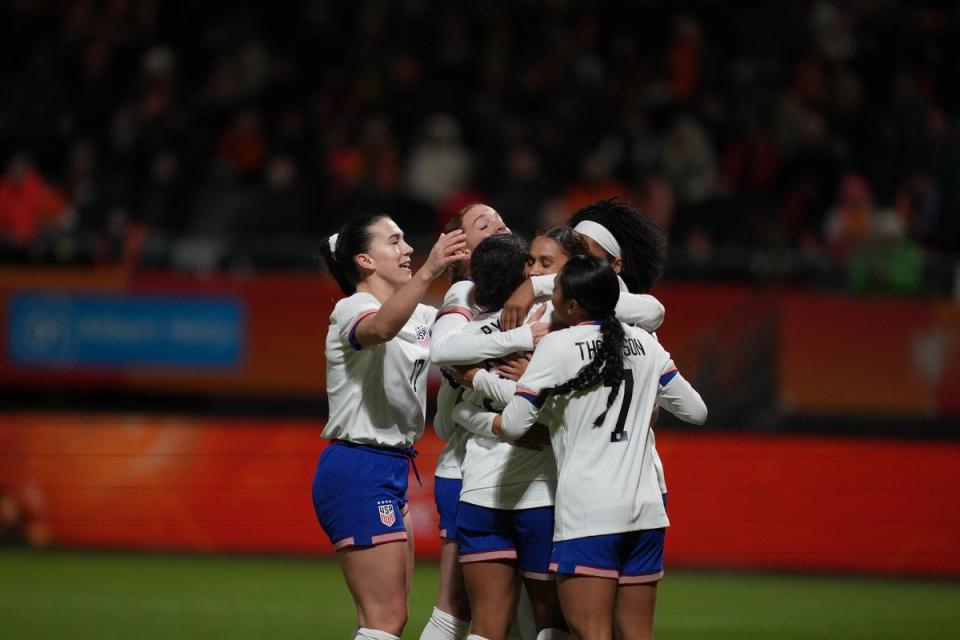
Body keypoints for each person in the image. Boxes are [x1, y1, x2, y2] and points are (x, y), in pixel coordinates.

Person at [498, 256, 707, 640]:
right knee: (637, 634)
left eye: (556, 290)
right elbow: (696, 411)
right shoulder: (645, 341)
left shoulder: (557, 346)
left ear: (572, 305)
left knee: (591, 632)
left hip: (588, 515)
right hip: (646, 513)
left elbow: (513, 424)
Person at [313, 213, 468, 640]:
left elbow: (465, 339)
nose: (408, 250)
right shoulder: (352, 308)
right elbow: (381, 328)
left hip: (390, 466)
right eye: (394, 241)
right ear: (364, 259)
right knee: (383, 619)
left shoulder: (420, 314)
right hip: (358, 465)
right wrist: (432, 270)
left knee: (391, 619)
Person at [422, 203, 545, 640]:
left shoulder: (527, 291)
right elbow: (446, 351)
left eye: (499, 220)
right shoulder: (464, 296)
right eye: (483, 224)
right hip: (467, 466)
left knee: (516, 615)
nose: (499, 224)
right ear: (462, 251)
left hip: (518, 467)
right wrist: (521, 338)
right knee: (458, 607)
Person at [438, 234, 570, 640]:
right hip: (539, 493)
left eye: (543, 264)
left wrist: (478, 389)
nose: (534, 271)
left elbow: (452, 413)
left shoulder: (466, 340)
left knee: (486, 626)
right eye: (530, 265)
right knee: (550, 625)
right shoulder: (562, 330)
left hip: (481, 489)